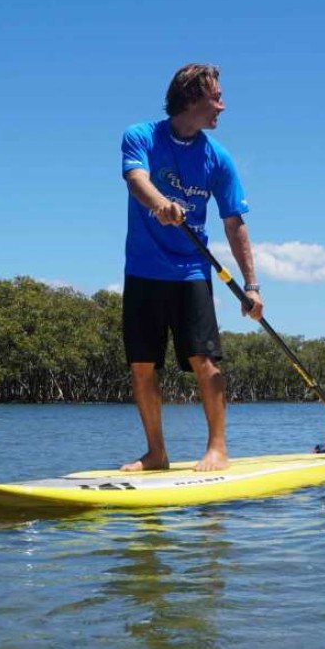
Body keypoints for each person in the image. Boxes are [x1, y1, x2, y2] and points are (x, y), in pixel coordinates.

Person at [119, 63, 263, 473]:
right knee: (143, 364)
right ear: (191, 98)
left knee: (205, 360)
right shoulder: (141, 135)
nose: (223, 105)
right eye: (216, 97)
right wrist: (160, 204)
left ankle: (217, 449)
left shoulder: (218, 158)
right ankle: (156, 453)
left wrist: (251, 286)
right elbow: (135, 179)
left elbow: (234, 222)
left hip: (191, 273)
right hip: (144, 270)